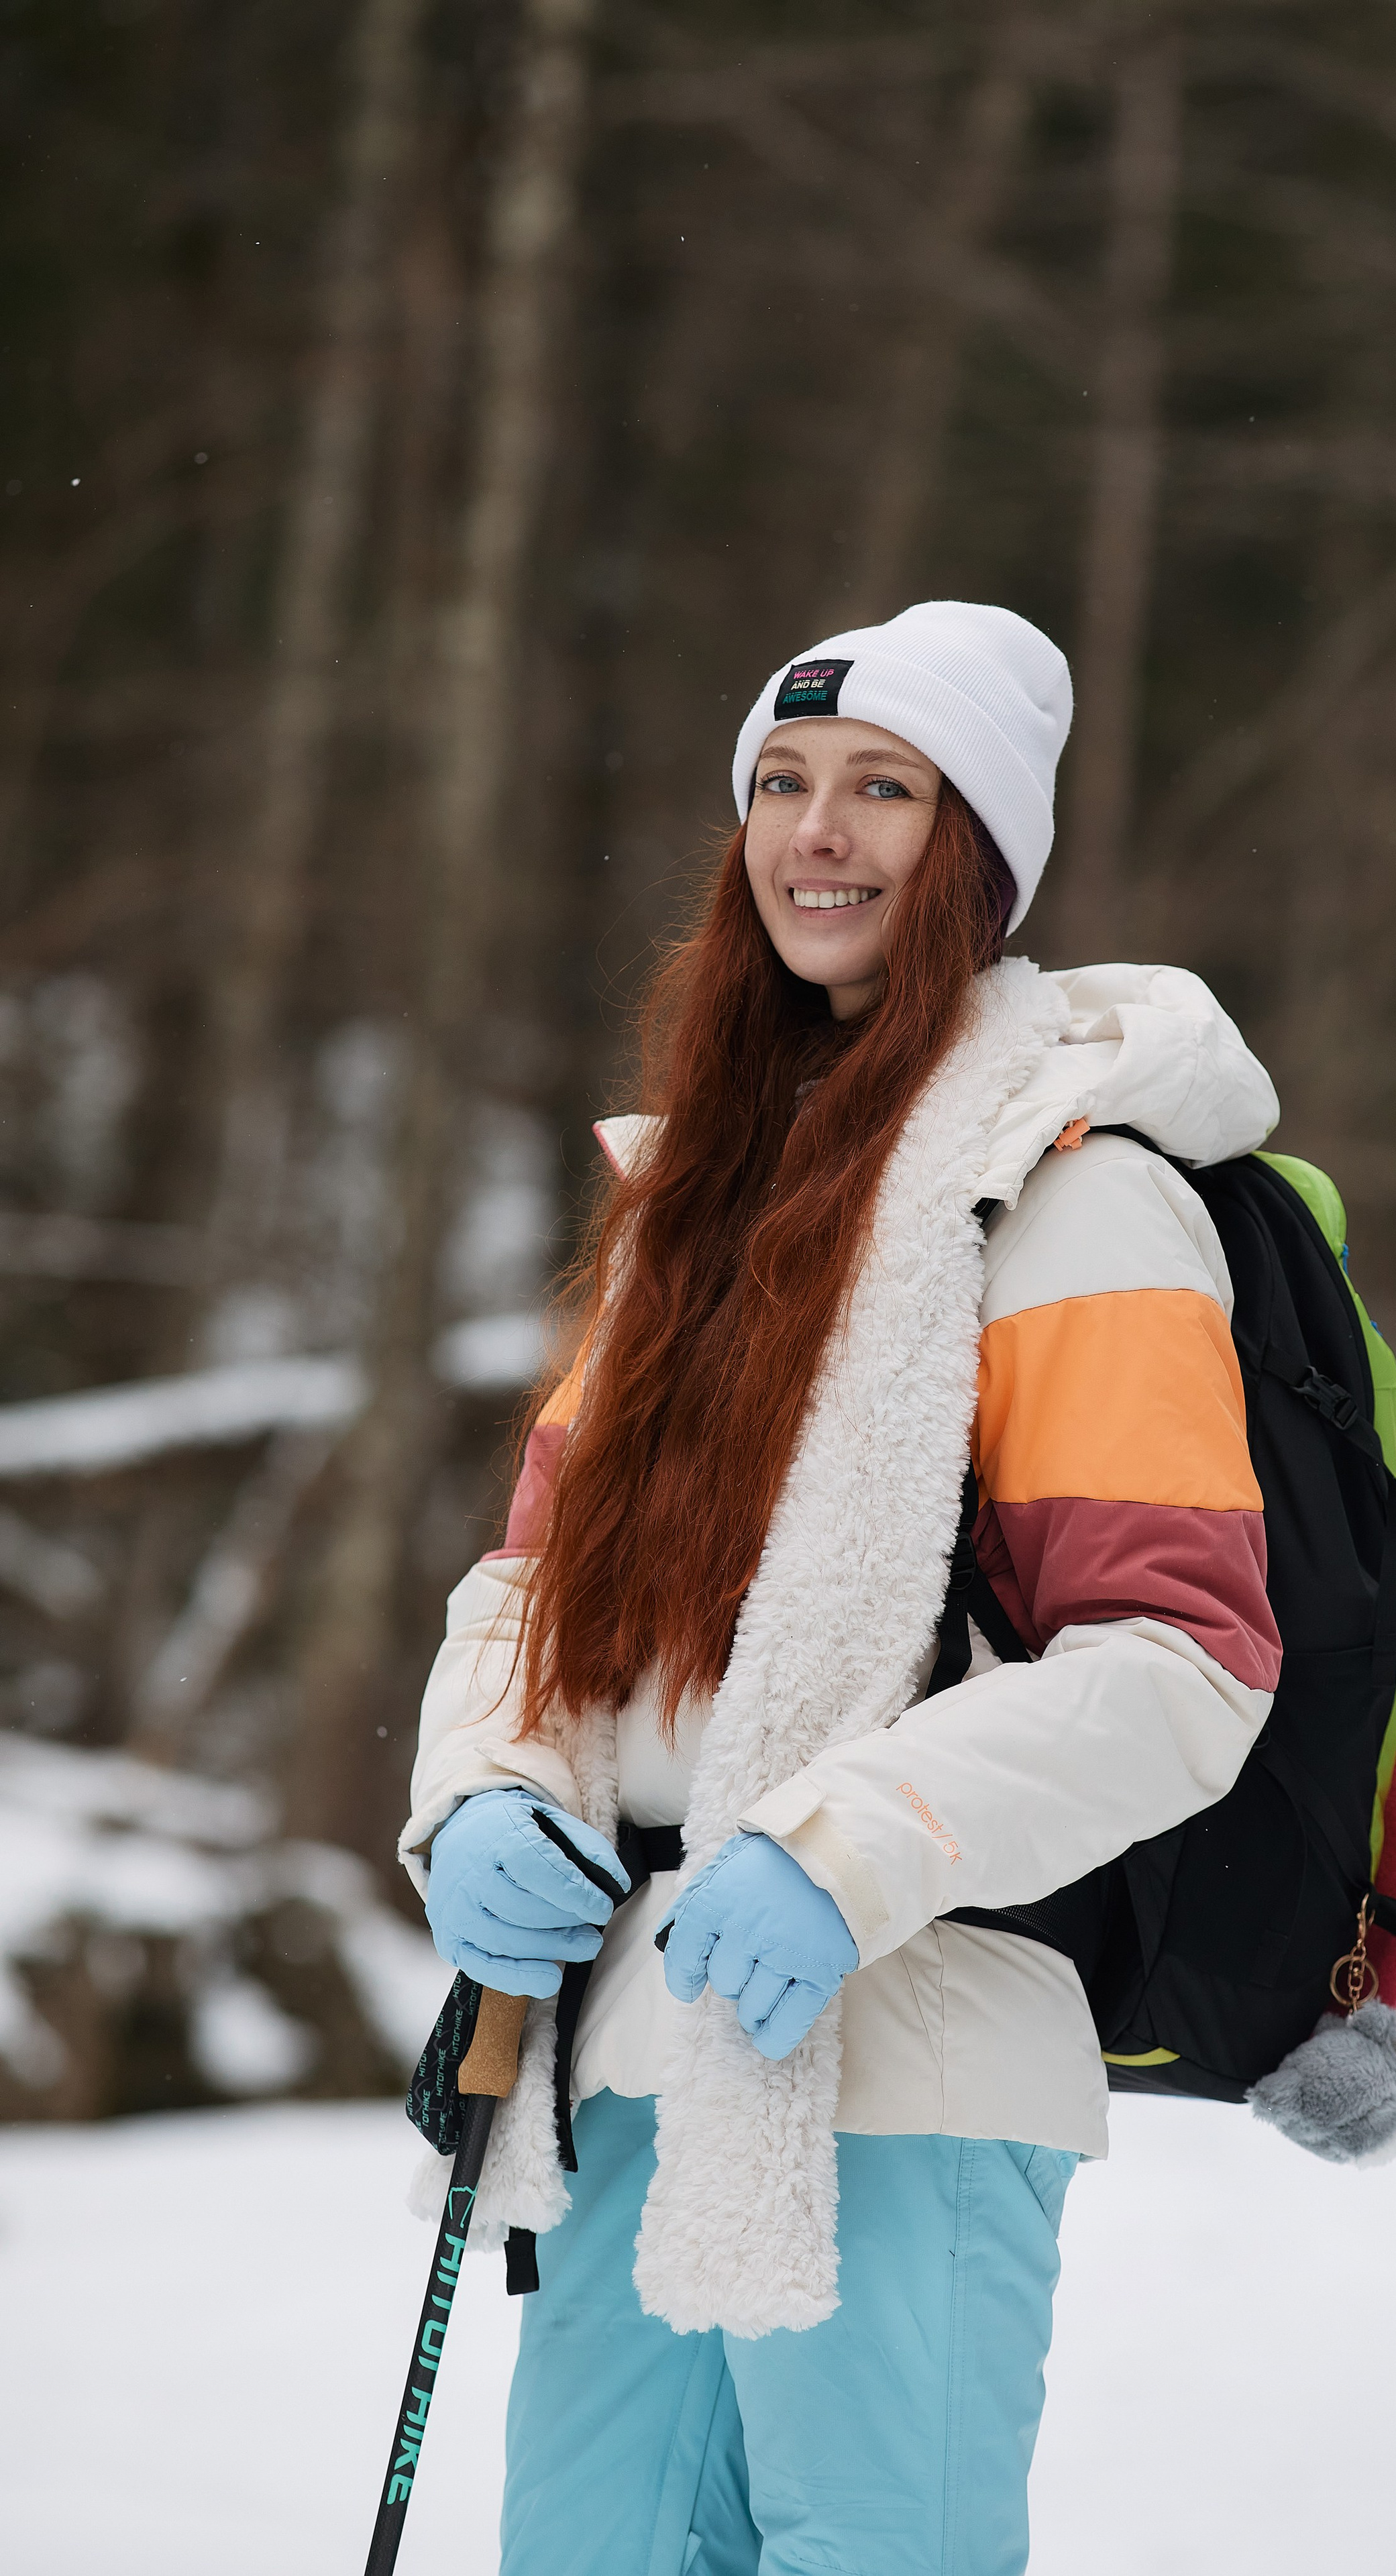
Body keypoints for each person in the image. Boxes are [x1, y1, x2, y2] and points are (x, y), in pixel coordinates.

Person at [400, 600, 1283, 2576]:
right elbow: (531, 1594)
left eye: (886, 788)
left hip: (910, 2046)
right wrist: (481, 1795)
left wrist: (840, 1853)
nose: (819, 832)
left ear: (978, 850)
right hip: (627, 2046)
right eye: (783, 784)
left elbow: (1181, 1662)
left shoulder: (1078, 1198)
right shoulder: (692, 1214)